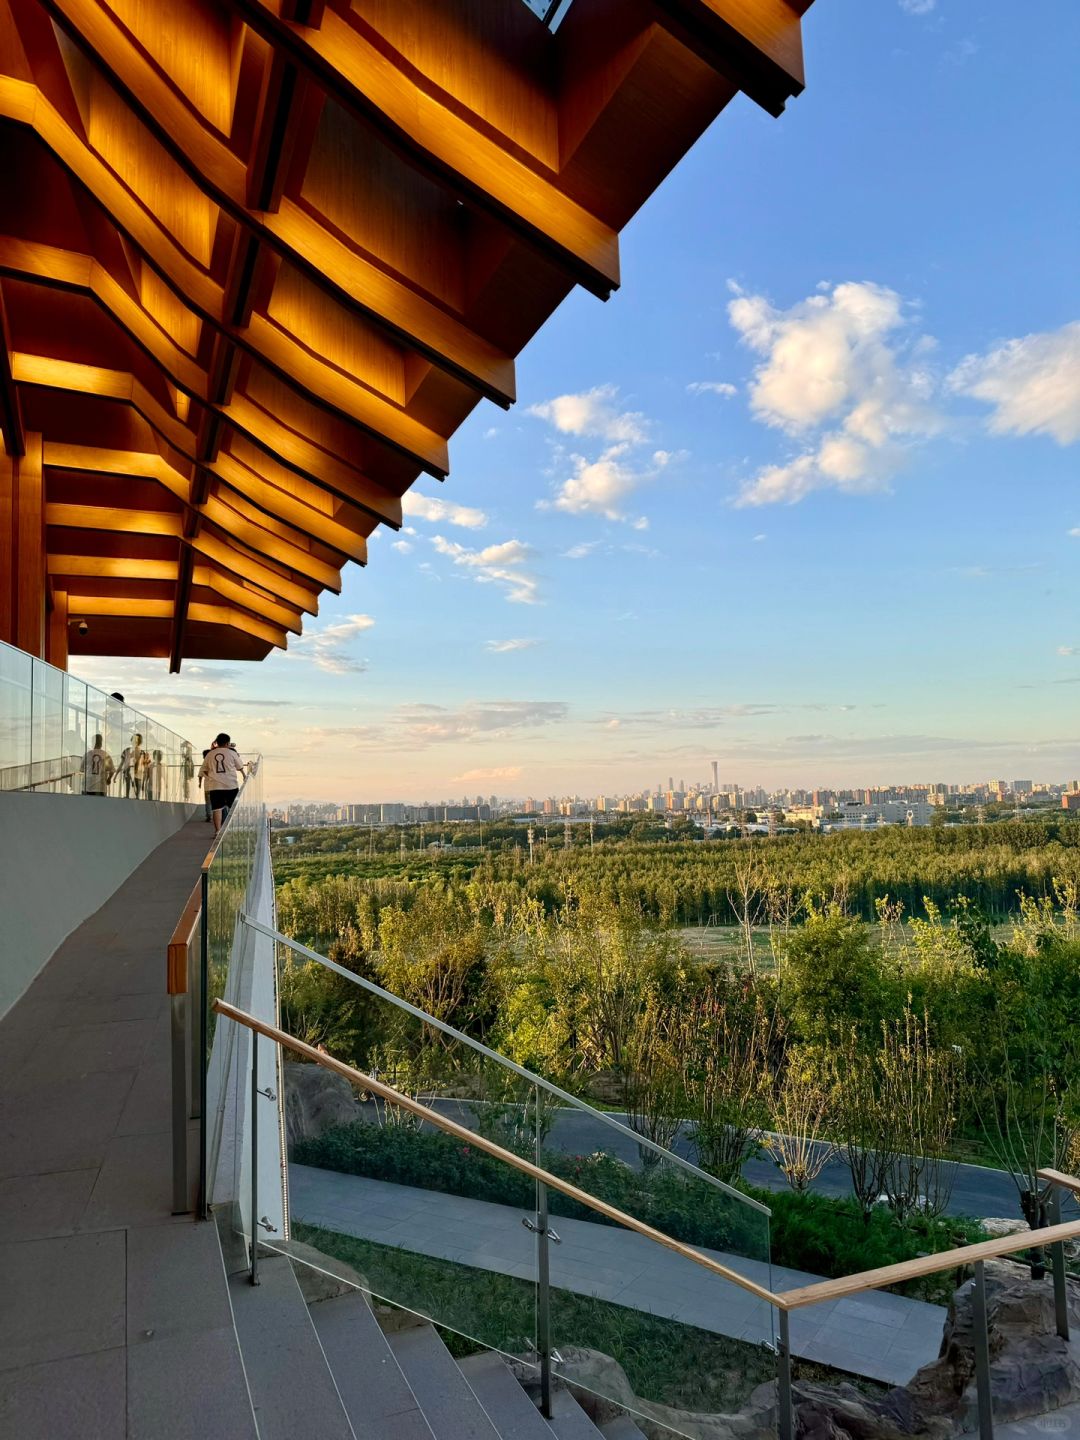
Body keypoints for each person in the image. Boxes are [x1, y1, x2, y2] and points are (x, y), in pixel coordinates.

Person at [199, 733, 247, 832]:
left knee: (217, 809)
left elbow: (203, 769)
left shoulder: (210, 754)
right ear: (227, 743)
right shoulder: (232, 753)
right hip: (231, 785)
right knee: (233, 809)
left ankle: (218, 831)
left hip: (215, 786)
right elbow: (240, 766)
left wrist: (211, 776)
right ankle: (234, 829)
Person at [198, 749, 212, 821]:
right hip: (215, 786)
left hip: (207, 787)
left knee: (208, 802)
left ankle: (208, 816)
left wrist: (199, 783)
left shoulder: (203, 765)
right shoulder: (213, 763)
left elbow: (200, 775)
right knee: (215, 802)